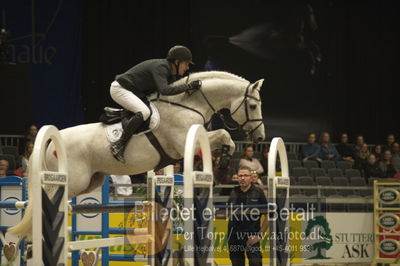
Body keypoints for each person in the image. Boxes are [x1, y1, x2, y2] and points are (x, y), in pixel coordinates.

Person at [109, 45, 202, 162]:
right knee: (145, 112)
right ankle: (118, 145)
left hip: (134, 91)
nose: (187, 67)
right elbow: (165, 90)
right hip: (120, 89)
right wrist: (188, 86)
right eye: (186, 63)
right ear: (177, 62)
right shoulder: (161, 67)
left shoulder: (169, 73)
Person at [227, 166, 268, 266]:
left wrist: (259, 235)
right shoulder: (233, 192)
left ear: (251, 178)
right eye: (240, 175)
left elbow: (269, 215)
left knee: (255, 262)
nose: (242, 178)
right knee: (236, 263)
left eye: (245, 175)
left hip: (251, 235)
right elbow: (227, 212)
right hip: (234, 236)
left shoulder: (258, 192)